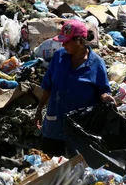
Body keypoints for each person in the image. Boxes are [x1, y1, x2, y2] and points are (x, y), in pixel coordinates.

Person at [35, 20, 114, 157]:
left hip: (79, 130)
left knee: (74, 170)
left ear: (79, 40)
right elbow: (48, 86)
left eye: (67, 41)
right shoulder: (59, 57)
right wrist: (40, 109)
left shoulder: (96, 63)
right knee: (47, 164)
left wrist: (106, 97)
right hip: (55, 125)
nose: (63, 44)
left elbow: (102, 90)